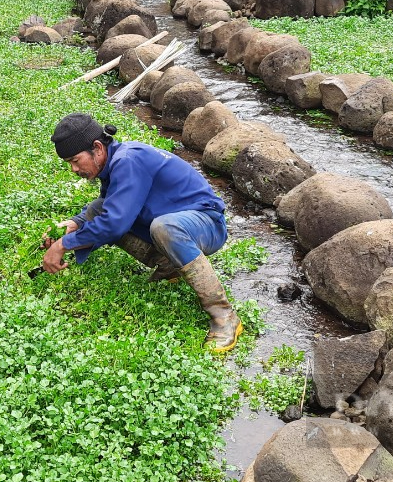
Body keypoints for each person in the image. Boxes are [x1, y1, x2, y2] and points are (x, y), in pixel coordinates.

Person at [41, 113, 243, 353]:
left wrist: (64, 245)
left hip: (206, 223)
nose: (74, 169)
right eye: (69, 163)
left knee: (164, 227)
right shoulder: (113, 162)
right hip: (175, 221)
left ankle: (224, 315)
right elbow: (109, 205)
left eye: (76, 160)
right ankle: (168, 265)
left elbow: (115, 223)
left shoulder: (128, 160)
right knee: (96, 210)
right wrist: (74, 223)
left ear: (97, 147)